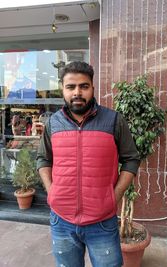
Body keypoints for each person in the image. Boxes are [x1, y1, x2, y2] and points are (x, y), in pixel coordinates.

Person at [37, 61, 140, 267]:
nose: (77, 92)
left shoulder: (113, 120)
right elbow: (43, 159)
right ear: (63, 89)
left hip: (102, 221)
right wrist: (52, 192)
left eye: (83, 86)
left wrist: (115, 195)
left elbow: (131, 158)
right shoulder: (53, 123)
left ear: (92, 88)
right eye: (71, 87)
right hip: (61, 221)